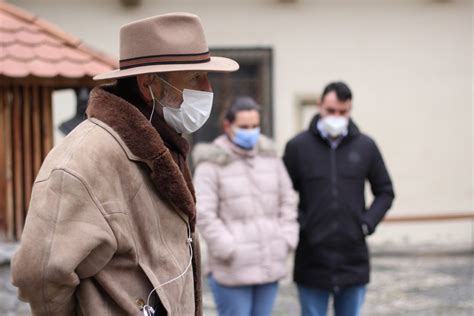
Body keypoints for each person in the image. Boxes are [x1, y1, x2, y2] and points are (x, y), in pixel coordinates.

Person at [11, 13, 238, 315]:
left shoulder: (163, 143)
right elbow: (38, 276)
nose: (208, 89)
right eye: (195, 77)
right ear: (149, 86)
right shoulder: (83, 158)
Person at [283, 82, 395, 316]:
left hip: (352, 256)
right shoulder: (298, 147)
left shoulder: (366, 146)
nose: (337, 117)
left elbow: (385, 191)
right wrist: (301, 224)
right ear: (320, 106)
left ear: (350, 110)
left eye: (343, 112)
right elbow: (280, 194)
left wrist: (367, 223)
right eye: (331, 111)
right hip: (311, 256)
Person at [192, 96, 299, 316]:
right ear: (227, 126)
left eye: (254, 126)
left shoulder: (270, 158)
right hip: (232, 266)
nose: (250, 132)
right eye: (243, 127)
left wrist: (286, 238)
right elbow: (204, 213)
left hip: (269, 260)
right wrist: (228, 248)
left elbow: (288, 200)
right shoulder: (211, 163)